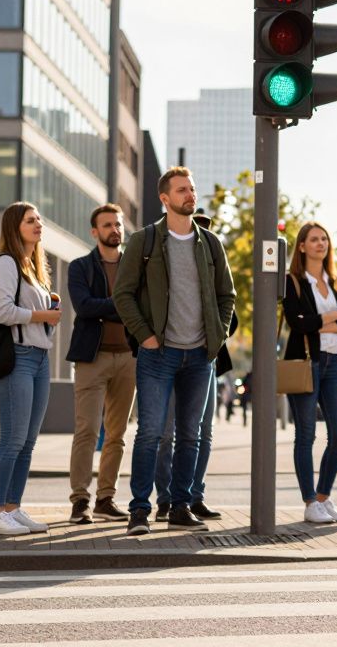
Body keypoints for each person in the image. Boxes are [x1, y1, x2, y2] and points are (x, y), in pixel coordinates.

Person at [113, 166, 236, 536]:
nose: (190, 195)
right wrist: (146, 336)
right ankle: (139, 510)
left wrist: (216, 337)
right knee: (150, 433)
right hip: (158, 354)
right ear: (165, 198)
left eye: (192, 189)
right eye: (182, 190)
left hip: (200, 356)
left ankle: (180, 506)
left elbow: (226, 295)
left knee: (191, 435)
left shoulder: (210, 243)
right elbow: (123, 295)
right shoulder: (145, 241)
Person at [0, 202, 61, 535]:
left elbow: (35, 321)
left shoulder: (34, 267)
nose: (38, 224)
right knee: (12, 439)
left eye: (39, 219)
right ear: (15, 227)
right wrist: (42, 315)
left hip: (39, 358)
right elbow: (1, 311)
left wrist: (49, 308)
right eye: (31, 220)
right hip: (16, 357)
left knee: (28, 442)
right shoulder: (7, 263)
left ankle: (13, 508)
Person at [151, 211, 231, 524]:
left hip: (207, 357)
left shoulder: (212, 260)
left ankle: (193, 496)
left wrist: (217, 331)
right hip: (171, 353)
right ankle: (166, 499)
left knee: (202, 432)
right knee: (166, 432)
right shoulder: (166, 257)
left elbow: (229, 306)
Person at [283, 222, 337, 523]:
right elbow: (297, 323)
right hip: (306, 363)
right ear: (301, 246)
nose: (320, 243)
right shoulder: (293, 282)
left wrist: (322, 321)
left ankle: (323, 497)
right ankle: (309, 501)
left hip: (335, 363)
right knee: (306, 434)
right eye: (314, 239)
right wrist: (333, 316)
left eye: (324, 239)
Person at [65, 204, 135, 525]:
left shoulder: (134, 267)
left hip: (129, 357)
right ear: (95, 232)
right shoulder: (80, 267)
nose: (114, 230)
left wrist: (108, 308)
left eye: (117, 224)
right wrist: (122, 306)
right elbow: (84, 307)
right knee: (87, 431)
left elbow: (142, 306)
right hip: (91, 358)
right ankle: (80, 500)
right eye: (107, 225)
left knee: (117, 434)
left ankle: (106, 498)